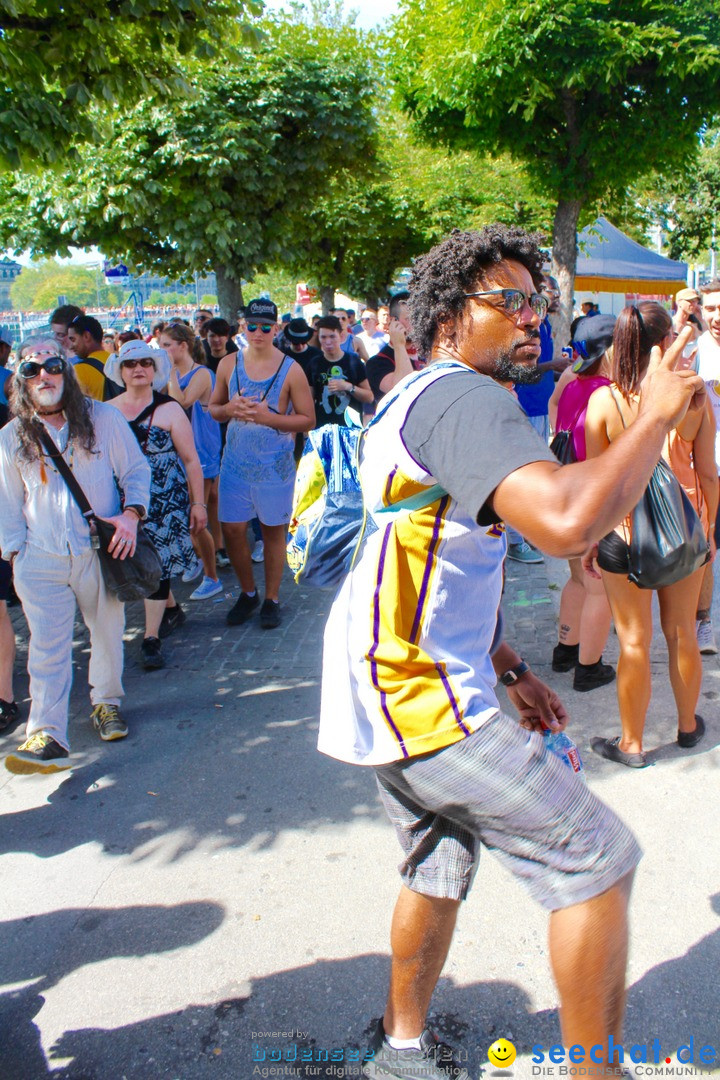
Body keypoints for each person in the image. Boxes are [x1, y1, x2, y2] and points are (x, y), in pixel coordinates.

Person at [319, 225, 705, 1079]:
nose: (535, 320)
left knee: (437, 864)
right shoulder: (464, 400)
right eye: (512, 301)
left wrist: (508, 665)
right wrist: (654, 417)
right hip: (416, 693)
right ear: (450, 319)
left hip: (389, 681)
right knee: (597, 859)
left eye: (542, 304)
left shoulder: (419, 392)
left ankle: (404, 1052)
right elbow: (570, 518)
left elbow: (429, 551)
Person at [0, 337, 150, 774]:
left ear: (65, 369)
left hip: (98, 551)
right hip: (39, 558)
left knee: (106, 633)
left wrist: (130, 516)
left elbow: (137, 472)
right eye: (31, 370)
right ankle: (47, 733)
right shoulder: (11, 436)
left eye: (51, 365)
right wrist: (15, 556)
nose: (43, 375)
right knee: (47, 648)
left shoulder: (103, 418)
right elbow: (7, 502)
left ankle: (106, 703)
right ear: (21, 381)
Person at [585, 302, 717, 768]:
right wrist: (710, 531)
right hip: (685, 530)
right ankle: (686, 728)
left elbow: (596, 480)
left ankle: (632, 745)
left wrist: (590, 541)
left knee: (634, 641)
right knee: (682, 631)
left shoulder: (604, 401)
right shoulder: (693, 395)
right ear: (667, 342)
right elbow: (709, 474)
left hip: (622, 534)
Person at [209, 298, 314, 629]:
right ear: (242, 327)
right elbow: (213, 408)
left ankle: (271, 598)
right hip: (235, 466)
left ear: (276, 329)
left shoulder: (291, 369)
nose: (258, 332)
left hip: (274, 467)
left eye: (265, 327)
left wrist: (270, 419)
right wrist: (229, 410)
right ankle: (247, 592)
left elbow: (308, 420)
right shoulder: (228, 364)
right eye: (251, 326)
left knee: (272, 532)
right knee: (233, 530)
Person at [106, 340, 209, 670]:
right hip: (122, 501)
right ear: (120, 371)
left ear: (154, 369)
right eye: (130, 364)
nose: (138, 369)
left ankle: (150, 637)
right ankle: (172, 609)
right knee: (139, 563)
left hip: (167, 503)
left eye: (145, 363)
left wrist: (199, 504)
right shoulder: (105, 411)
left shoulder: (170, 409)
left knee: (159, 565)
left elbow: (191, 460)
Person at [550, 314, 616, 691]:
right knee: (598, 587)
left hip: (567, 488)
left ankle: (565, 650)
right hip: (591, 498)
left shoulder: (571, 378)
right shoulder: (609, 391)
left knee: (577, 579)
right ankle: (588, 668)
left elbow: (555, 403)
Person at [161, 324, 224, 601]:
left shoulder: (201, 374)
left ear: (182, 346)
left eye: (166, 345)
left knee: (196, 516)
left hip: (203, 451)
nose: (162, 351)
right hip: (182, 450)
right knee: (190, 513)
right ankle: (200, 558)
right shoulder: (172, 375)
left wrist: (171, 372)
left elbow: (181, 403)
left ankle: (211, 575)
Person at [694, 278, 720, 653]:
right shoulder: (693, 352)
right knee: (706, 547)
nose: (717, 316)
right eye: (711, 308)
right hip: (704, 466)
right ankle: (704, 621)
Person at [307, 316, 373, 428]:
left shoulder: (353, 362)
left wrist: (348, 387)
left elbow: (369, 397)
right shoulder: (314, 364)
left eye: (332, 336)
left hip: (350, 429)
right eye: (323, 337)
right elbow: (308, 402)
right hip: (323, 429)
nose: (328, 342)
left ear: (341, 336)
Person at [365, 291, 426, 404]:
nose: (417, 324)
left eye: (419, 317)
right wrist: (399, 345)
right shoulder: (377, 363)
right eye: (410, 318)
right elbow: (404, 388)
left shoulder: (427, 354)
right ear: (393, 321)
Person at [66, 314, 112, 401]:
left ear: (86, 336)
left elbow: (76, 406)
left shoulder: (80, 369)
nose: (71, 346)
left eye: (73, 340)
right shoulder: (118, 361)